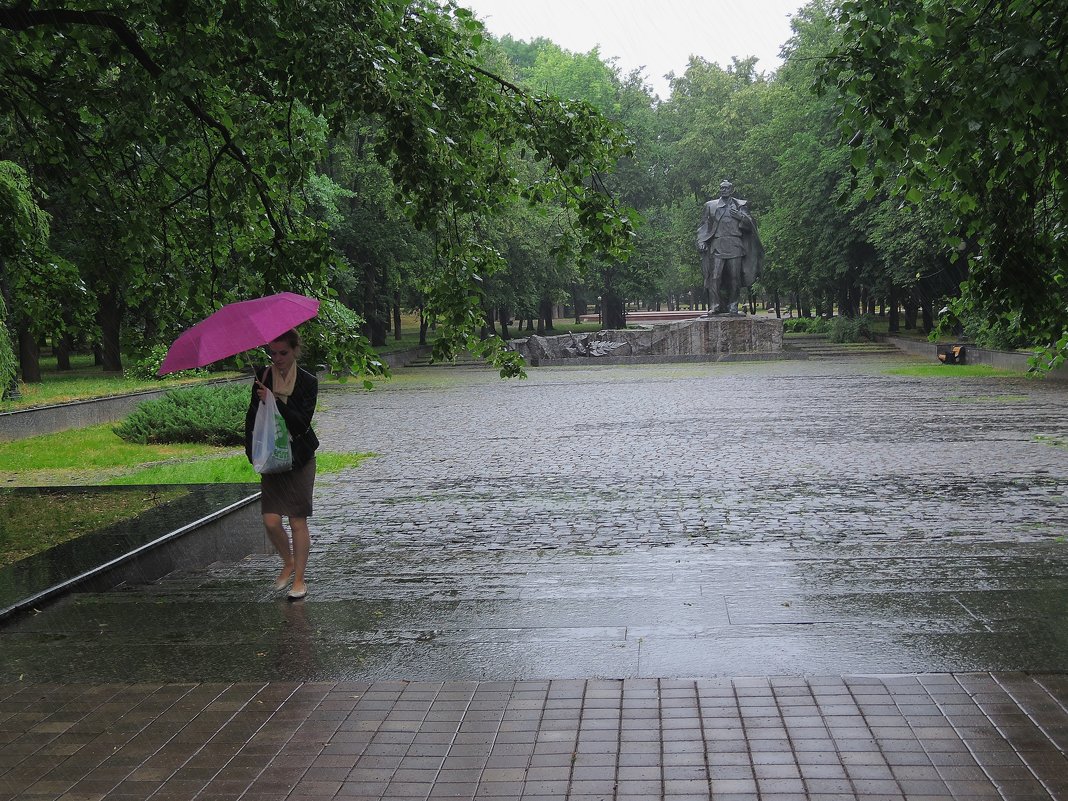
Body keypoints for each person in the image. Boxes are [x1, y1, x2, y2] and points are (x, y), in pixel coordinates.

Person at [244, 328, 319, 600]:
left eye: (283, 353)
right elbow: (252, 418)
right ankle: (287, 561)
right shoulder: (262, 377)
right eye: (272, 353)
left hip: (299, 457)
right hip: (272, 457)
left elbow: (301, 422)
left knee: (297, 520)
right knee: (271, 520)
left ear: (295, 350)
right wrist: (251, 450)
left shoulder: (308, 381)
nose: (277, 358)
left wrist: (275, 401)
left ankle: (299, 579)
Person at [696, 180, 764, 314]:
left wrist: (740, 217)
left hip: (735, 245)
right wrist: (701, 241)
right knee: (715, 277)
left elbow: (751, 225)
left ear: (731, 190)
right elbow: (703, 226)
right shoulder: (710, 206)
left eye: (726, 188)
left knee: (735, 277)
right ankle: (715, 306)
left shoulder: (740, 205)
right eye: (721, 188)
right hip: (717, 244)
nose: (724, 190)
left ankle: (733, 305)